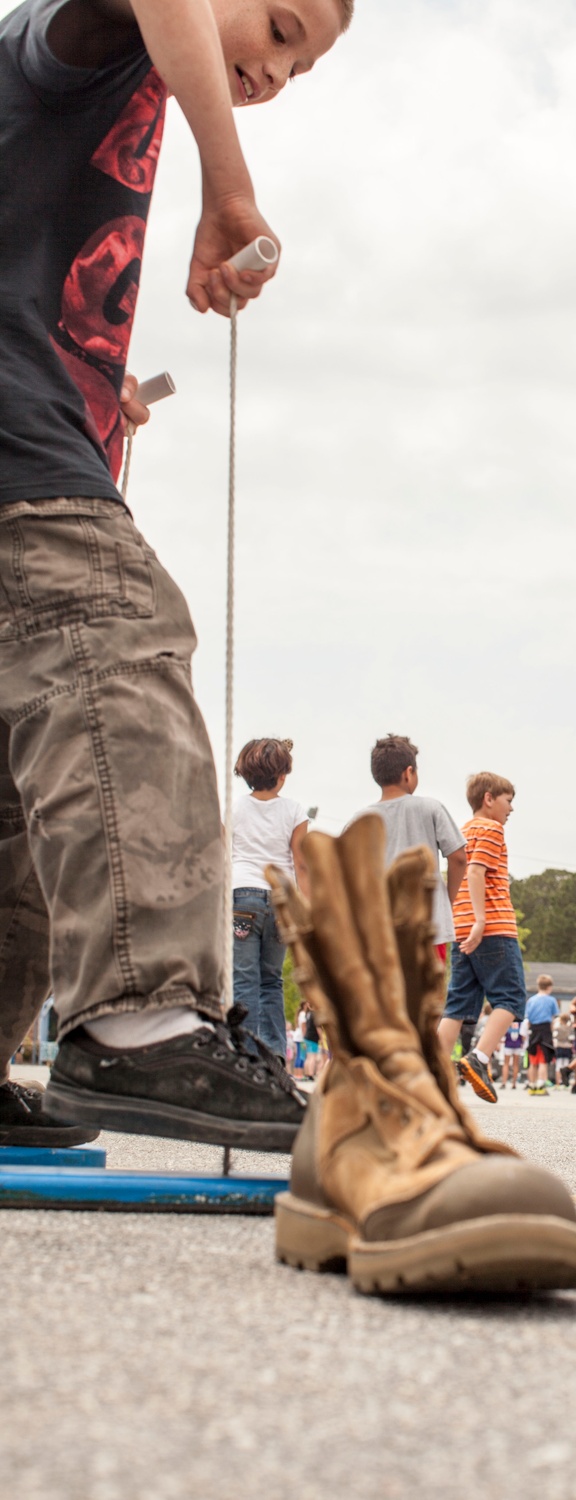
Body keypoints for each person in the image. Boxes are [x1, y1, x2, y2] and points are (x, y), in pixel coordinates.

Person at [1, 0, 349, 1152]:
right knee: (111, 633)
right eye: (284, 26)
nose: (280, 71)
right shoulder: (76, 48)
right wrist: (229, 185)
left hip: (43, 425)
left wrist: (111, 409)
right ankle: (144, 1026)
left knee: (17, 792)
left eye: (305, 65)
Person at [437, 773, 527, 1103]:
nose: (511, 809)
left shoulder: (462, 832)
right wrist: (481, 920)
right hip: (491, 927)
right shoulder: (492, 829)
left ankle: (432, 1072)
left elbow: (460, 871)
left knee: (457, 1005)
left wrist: (465, 921)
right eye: (508, 800)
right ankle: (480, 1058)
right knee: (512, 998)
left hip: (460, 927)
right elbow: (475, 871)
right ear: (489, 799)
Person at [350, 734, 467, 964]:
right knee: (426, 998)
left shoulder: (360, 819)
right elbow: (458, 857)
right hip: (428, 926)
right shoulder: (431, 808)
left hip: (378, 931)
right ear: (408, 772)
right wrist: (447, 900)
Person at [231, 738, 309, 1061]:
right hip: (279, 898)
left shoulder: (232, 807)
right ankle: (275, 1054)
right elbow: (301, 865)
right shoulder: (295, 811)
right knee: (271, 981)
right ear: (282, 776)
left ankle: (246, 1056)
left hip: (241, 897)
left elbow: (223, 856)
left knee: (244, 980)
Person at [525, 975, 559, 1095]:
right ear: (549, 987)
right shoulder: (551, 1000)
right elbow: (553, 1018)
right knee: (543, 1060)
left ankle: (532, 1084)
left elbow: (527, 1019)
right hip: (545, 1030)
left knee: (533, 1060)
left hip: (534, 1031)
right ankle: (540, 1084)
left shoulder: (531, 1000)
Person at [553, 1007, 576, 1088]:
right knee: (566, 1064)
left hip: (559, 1046)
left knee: (558, 1065)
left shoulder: (558, 1027)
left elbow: (554, 1035)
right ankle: (564, 1081)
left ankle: (558, 1082)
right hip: (567, 1047)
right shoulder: (569, 1028)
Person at [501, 1019, 525, 1089]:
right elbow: (523, 1034)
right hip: (517, 1044)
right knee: (515, 1064)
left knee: (506, 1063)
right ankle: (514, 1083)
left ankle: (504, 1082)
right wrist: (522, 1042)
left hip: (508, 1043)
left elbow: (503, 1032)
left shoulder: (508, 1020)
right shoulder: (520, 1022)